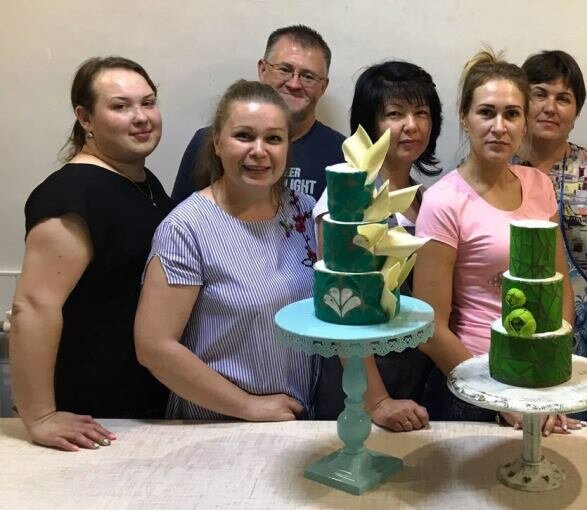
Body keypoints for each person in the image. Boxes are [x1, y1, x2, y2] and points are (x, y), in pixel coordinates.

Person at [414, 50, 580, 435]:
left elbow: (559, 287)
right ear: (464, 118)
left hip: (538, 378)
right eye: (486, 113)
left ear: (525, 121)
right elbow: (430, 327)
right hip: (474, 381)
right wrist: (499, 398)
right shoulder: (443, 200)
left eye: (512, 114)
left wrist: (548, 364)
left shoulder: (538, 185)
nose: (499, 127)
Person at [10, 57, 172, 451]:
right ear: (85, 118)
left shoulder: (141, 180)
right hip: (95, 416)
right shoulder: (72, 194)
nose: (141, 117)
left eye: (148, 103)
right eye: (120, 106)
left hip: (142, 401)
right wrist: (40, 416)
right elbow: (33, 307)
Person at [135, 80, 319, 420]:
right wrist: (247, 406)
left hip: (294, 420)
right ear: (218, 142)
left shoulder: (306, 212)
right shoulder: (186, 228)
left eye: (273, 139)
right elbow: (154, 347)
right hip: (216, 424)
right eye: (244, 136)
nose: (259, 150)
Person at [312, 61, 443, 432]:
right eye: (395, 114)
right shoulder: (345, 199)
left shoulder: (427, 198)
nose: (411, 126)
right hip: (360, 386)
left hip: (417, 375)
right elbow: (340, 308)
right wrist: (378, 401)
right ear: (370, 124)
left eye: (421, 113)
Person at [515, 50, 587, 389]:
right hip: (510, 320)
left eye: (563, 98)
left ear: (576, 112)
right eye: (539, 94)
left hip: (584, 330)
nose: (550, 107)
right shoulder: (495, 167)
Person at [170, 24, 343, 203]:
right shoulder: (206, 141)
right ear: (262, 69)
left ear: (323, 86)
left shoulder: (342, 154)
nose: (294, 84)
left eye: (308, 76)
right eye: (284, 70)